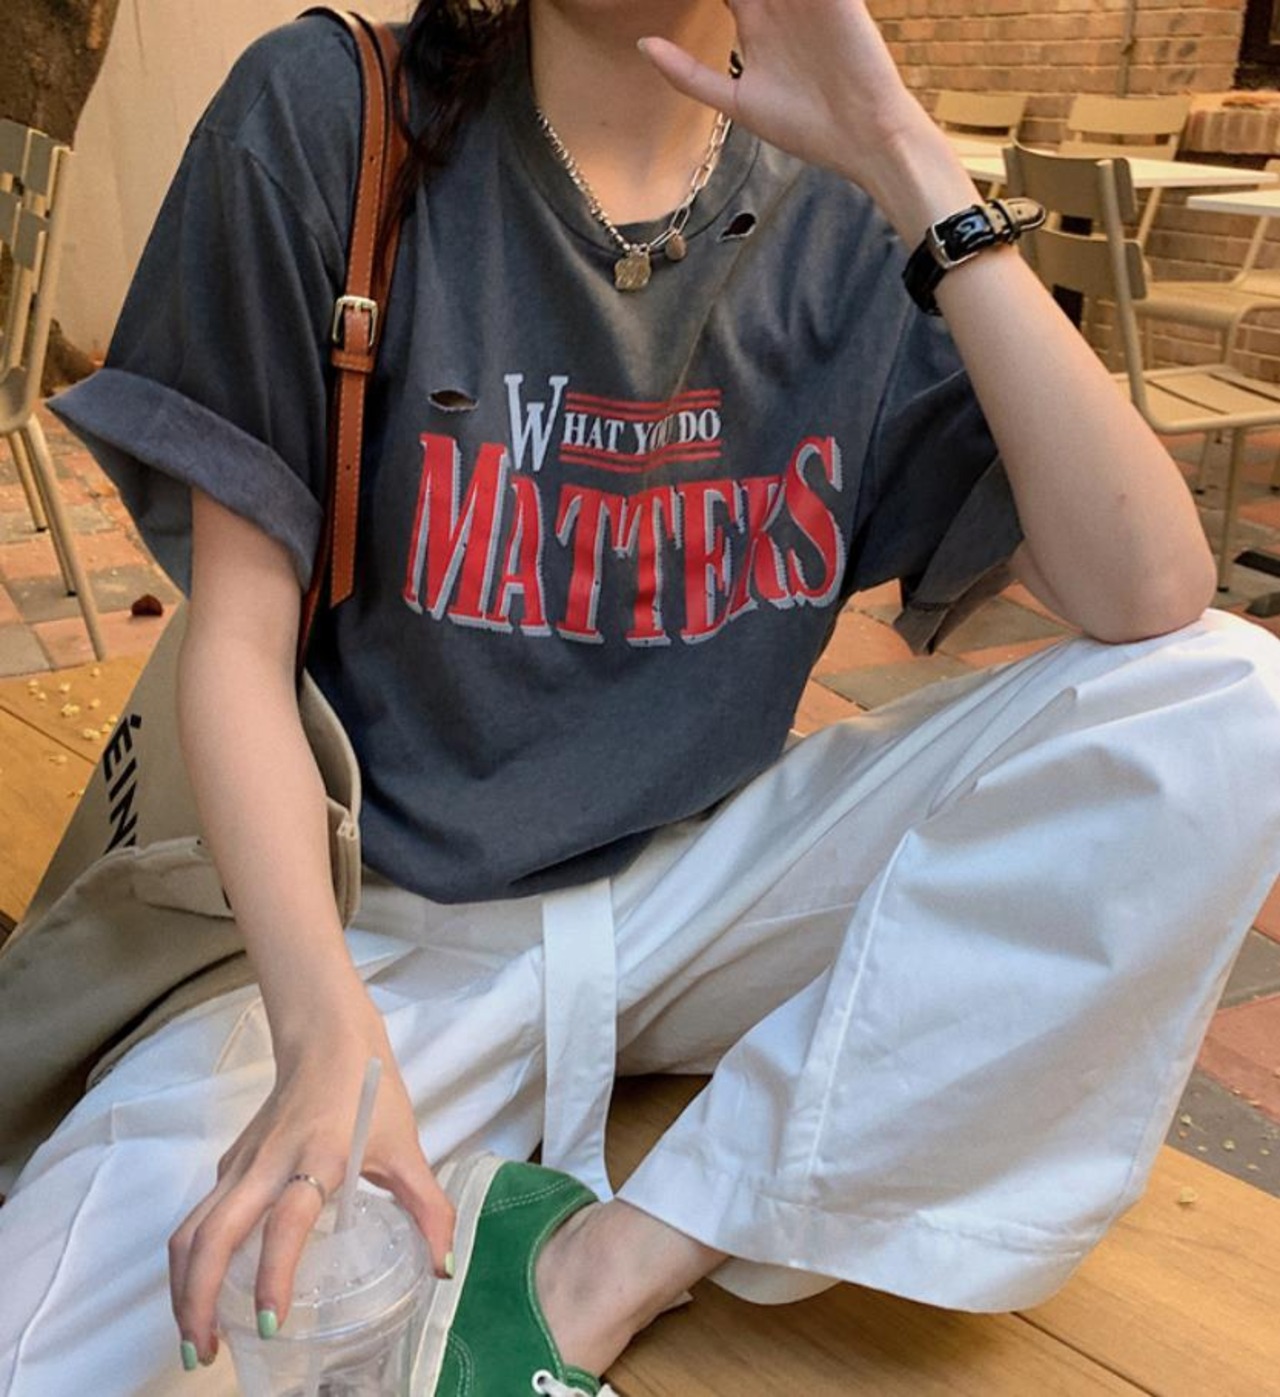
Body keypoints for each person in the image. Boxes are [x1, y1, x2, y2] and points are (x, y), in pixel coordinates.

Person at [3, 0, 1280, 1392]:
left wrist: (905, 155)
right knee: (53, 1346)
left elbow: (1150, 589)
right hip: (382, 928)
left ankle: (611, 1262)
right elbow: (238, 646)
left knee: (1230, 698)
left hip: (709, 890)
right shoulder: (331, 115)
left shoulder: (852, 208)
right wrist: (320, 1031)